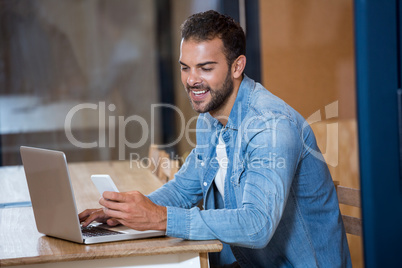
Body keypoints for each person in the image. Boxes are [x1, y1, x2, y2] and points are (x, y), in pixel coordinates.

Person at [79, 10, 352, 267]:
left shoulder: (270, 126)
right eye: (185, 67)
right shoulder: (210, 119)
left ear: (237, 66)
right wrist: (128, 211)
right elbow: (184, 189)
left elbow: (257, 224)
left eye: (205, 68)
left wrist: (160, 218)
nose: (191, 80)